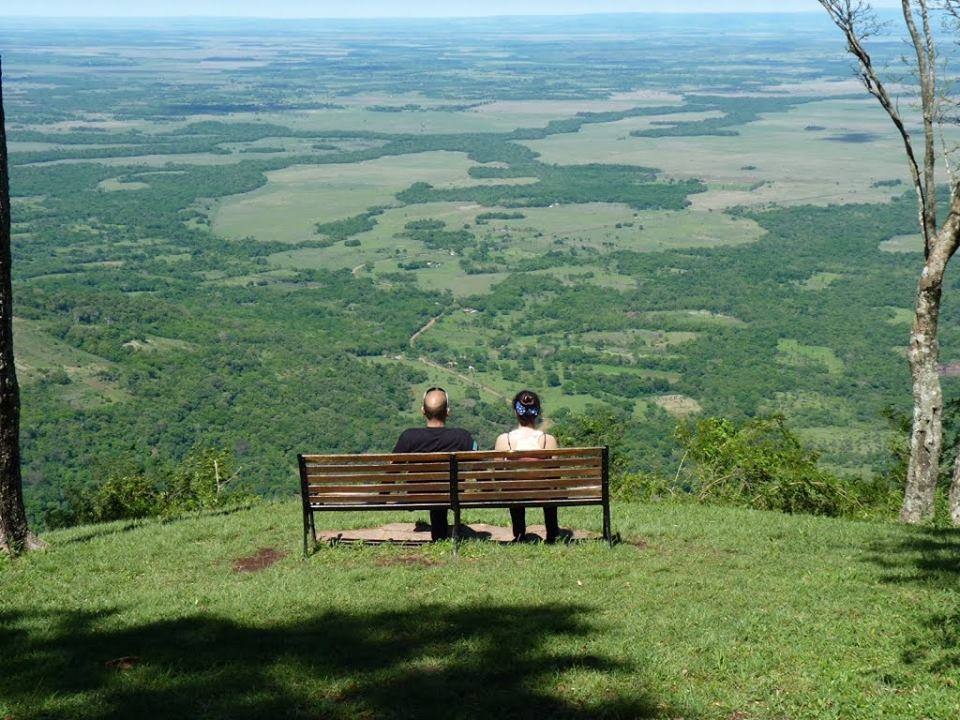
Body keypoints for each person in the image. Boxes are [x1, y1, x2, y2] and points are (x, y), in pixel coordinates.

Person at [393, 387, 475, 541]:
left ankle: (439, 536)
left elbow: (391, 469)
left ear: (423, 411)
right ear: (448, 411)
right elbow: (480, 466)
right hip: (453, 495)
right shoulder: (462, 436)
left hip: (417, 495)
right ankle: (440, 537)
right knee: (444, 490)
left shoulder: (409, 436)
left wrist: (382, 495)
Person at [494, 390, 560, 543]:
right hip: (543, 492)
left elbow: (498, 475)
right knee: (550, 487)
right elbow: (556, 475)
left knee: (513, 486)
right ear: (537, 412)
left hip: (514, 493)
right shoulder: (548, 440)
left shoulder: (504, 440)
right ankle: (552, 532)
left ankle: (519, 533)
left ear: (516, 411)